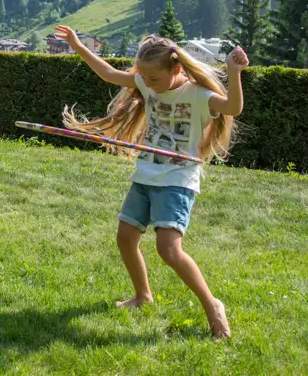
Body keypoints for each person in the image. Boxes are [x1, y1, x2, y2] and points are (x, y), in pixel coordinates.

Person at [54, 25, 248, 340]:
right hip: (146, 174)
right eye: (144, 78)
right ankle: (143, 295)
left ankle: (213, 306)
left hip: (177, 179)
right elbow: (107, 73)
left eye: (154, 79)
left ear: (176, 69)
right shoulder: (147, 85)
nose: (148, 85)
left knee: (168, 250)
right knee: (126, 237)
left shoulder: (198, 96)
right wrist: (77, 44)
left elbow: (233, 107)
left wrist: (234, 72)